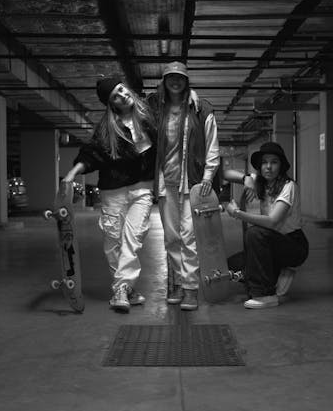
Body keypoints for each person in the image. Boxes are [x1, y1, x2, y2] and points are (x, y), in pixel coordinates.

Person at [62, 76, 157, 313]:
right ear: (112, 103)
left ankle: (120, 290)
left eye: (122, 89)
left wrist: (193, 97)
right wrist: (73, 173)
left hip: (142, 188)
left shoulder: (149, 115)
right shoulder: (108, 127)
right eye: (115, 95)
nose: (122, 95)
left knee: (133, 238)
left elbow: (172, 95)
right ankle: (125, 288)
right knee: (113, 240)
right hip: (113, 190)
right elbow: (92, 154)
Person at [147, 61, 220, 311]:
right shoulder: (157, 109)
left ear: (187, 80)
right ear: (164, 81)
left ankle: (190, 288)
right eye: (170, 77)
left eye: (180, 77)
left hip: (193, 182)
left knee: (190, 236)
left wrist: (208, 177)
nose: (175, 81)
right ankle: (176, 283)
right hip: (166, 182)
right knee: (171, 237)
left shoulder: (201, 109)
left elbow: (212, 145)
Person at [224, 142, 309, 309]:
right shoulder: (260, 182)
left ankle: (265, 295)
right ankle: (279, 272)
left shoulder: (288, 186)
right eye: (264, 162)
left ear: (281, 165)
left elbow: (272, 221)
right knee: (233, 267)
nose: (268, 167)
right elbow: (225, 174)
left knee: (255, 234)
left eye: (274, 162)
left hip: (293, 245)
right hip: (271, 242)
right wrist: (245, 178)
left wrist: (237, 213)